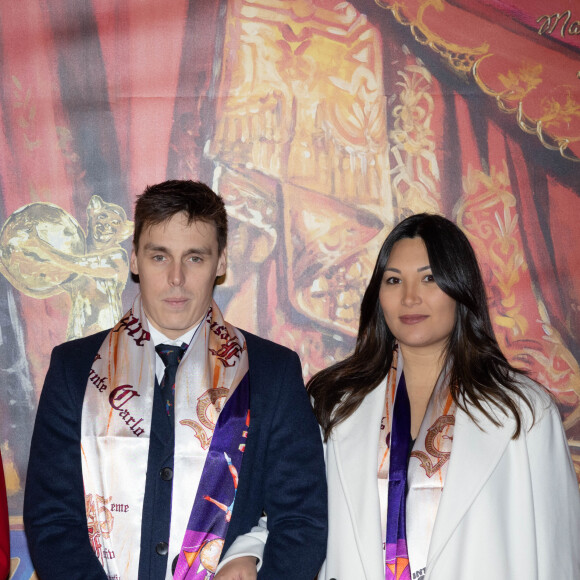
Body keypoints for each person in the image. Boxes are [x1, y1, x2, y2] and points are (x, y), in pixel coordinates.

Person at [24, 180, 327, 580]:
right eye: (159, 257)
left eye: (195, 258)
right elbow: (51, 519)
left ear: (220, 264)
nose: (177, 278)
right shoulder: (73, 368)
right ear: (134, 260)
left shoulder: (272, 372)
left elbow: (302, 521)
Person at [308, 213, 580, 580]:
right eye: (393, 280)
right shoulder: (334, 403)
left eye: (429, 278)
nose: (409, 297)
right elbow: (295, 520)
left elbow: (559, 553)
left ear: (460, 287)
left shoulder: (524, 411)